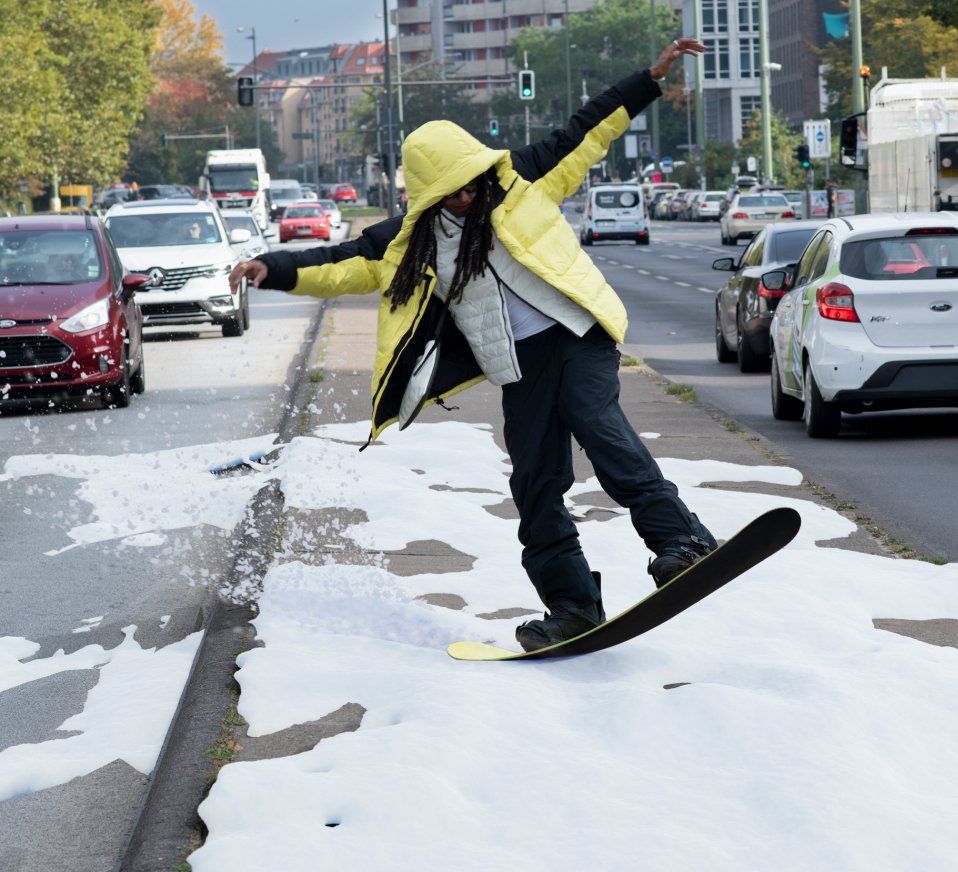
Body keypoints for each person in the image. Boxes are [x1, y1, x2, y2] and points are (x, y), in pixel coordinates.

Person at [229, 37, 717, 652]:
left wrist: (648, 79)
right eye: (452, 191)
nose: (467, 196)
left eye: (471, 183)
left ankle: (681, 541)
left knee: (596, 422)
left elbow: (587, 131)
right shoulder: (411, 241)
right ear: (430, 193)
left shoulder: (524, 179)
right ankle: (572, 606)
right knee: (535, 485)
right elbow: (340, 261)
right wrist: (269, 268)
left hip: (576, 336)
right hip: (517, 365)